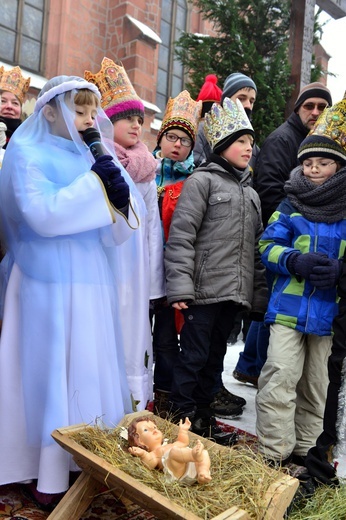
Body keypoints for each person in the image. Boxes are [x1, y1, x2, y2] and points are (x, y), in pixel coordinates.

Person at [0, 75, 145, 506]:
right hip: (45, 279)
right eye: (77, 110)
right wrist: (96, 187)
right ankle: (41, 470)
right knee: (48, 370)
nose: (87, 120)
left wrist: (118, 192)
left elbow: (124, 220)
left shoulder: (93, 153)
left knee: (86, 362)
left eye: (90, 111)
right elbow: (40, 214)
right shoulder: (25, 153)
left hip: (89, 277)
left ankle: (82, 461)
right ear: (48, 111)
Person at [164, 98, 268, 444]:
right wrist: (179, 287)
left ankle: (205, 421)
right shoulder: (202, 182)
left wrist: (257, 299)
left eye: (251, 143)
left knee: (215, 360)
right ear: (223, 145)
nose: (248, 148)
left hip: (232, 294)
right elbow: (182, 236)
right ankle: (181, 418)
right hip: (202, 291)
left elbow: (255, 250)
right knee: (192, 358)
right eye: (241, 141)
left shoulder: (251, 195)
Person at [256, 97, 346, 467]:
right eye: (307, 163)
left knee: (316, 386)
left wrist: (341, 270)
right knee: (279, 376)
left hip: (328, 314)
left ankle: (304, 452)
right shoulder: (290, 205)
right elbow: (266, 246)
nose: (312, 170)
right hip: (288, 309)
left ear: (338, 168)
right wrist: (294, 260)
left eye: (321, 163)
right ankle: (273, 454)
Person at [233, 81, 333, 388]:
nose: (315, 112)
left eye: (321, 107)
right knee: (275, 305)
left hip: (301, 240)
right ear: (298, 108)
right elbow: (270, 189)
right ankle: (255, 366)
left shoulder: (316, 140)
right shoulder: (282, 139)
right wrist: (295, 229)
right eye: (309, 106)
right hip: (284, 237)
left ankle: (250, 364)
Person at [85, 57, 165, 410]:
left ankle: (128, 404)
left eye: (140, 120)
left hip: (134, 267)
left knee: (133, 335)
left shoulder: (146, 168)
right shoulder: (95, 158)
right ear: (108, 121)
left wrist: (154, 281)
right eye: (127, 118)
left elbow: (151, 228)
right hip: (103, 263)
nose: (136, 125)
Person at [152, 90, 202, 416]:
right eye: (172, 136)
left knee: (168, 338)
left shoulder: (197, 179)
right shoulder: (145, 169)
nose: (177, 144)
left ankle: (165, 394)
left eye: (184, 140)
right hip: (144, 265)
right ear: (161, 138)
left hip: (174, 269)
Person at [128, 416, 211, 484]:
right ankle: (194, 455)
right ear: (140, 441)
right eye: (146, 430)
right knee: (173, 452)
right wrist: (143, 454)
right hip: (179, 474)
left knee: (204, 453)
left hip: (192, 466)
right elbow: (149, 464)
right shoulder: (154, 453)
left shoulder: (170, 445)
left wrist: (183, 431)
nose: (154, 430)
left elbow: (183, 442)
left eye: (154, 427)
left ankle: (203, 473)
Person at [0, 65, 31, 159]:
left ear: (21, 110)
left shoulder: (28, 139)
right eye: (3, 101)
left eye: (15, 103)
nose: (9, 106)